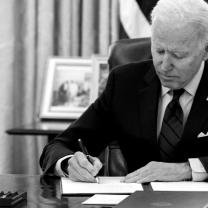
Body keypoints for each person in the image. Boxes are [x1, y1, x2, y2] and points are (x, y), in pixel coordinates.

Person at [40, 0, 208, 183]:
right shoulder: (125, 83)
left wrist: (188, 169)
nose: (165, 66)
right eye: (159, 51)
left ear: (205, 50)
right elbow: (59, 146)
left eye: (178, 55)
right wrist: (69, 163)